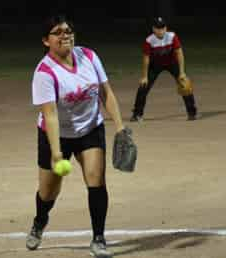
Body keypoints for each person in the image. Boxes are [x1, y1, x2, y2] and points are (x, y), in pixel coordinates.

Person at [26, 15, 125, 258]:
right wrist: (57, 152)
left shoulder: (89, 56)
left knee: (96, 181)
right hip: (56, 135)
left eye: (68, 30)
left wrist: (121, 128)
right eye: (57, 32)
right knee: (49, 192)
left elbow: (106, 93)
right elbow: (50, 116)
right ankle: (40, 221)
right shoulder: (45, 72)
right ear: (45, 41)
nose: (65, 35)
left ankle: (99, 238)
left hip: (90, 129)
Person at [130, 16, 198, 122]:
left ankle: (192, 113)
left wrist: (182, 72)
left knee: (185, 85)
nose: (160, 30)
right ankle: (137, 114)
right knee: (143, 86)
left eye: (162, 28)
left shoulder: (172, 36)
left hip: (172, 63)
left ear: (166, 28)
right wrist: (144, 76)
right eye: (158, 28)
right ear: (153, 29)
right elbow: (146, 59)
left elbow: (179, 53)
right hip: (155, 65)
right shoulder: (149, 40)